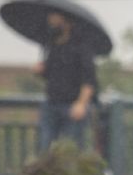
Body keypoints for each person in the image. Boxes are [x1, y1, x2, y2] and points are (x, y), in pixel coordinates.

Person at [35, 11, 98, 152]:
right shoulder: (52, 45)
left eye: (54, 17)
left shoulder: (81, 46)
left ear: (66, 22)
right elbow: (51, 74)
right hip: (51, 103)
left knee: (71, 150)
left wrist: (81, 103)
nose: (50, 21)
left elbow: (89, 79)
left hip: (72, 106)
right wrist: (41, 70)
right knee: (45, 148)